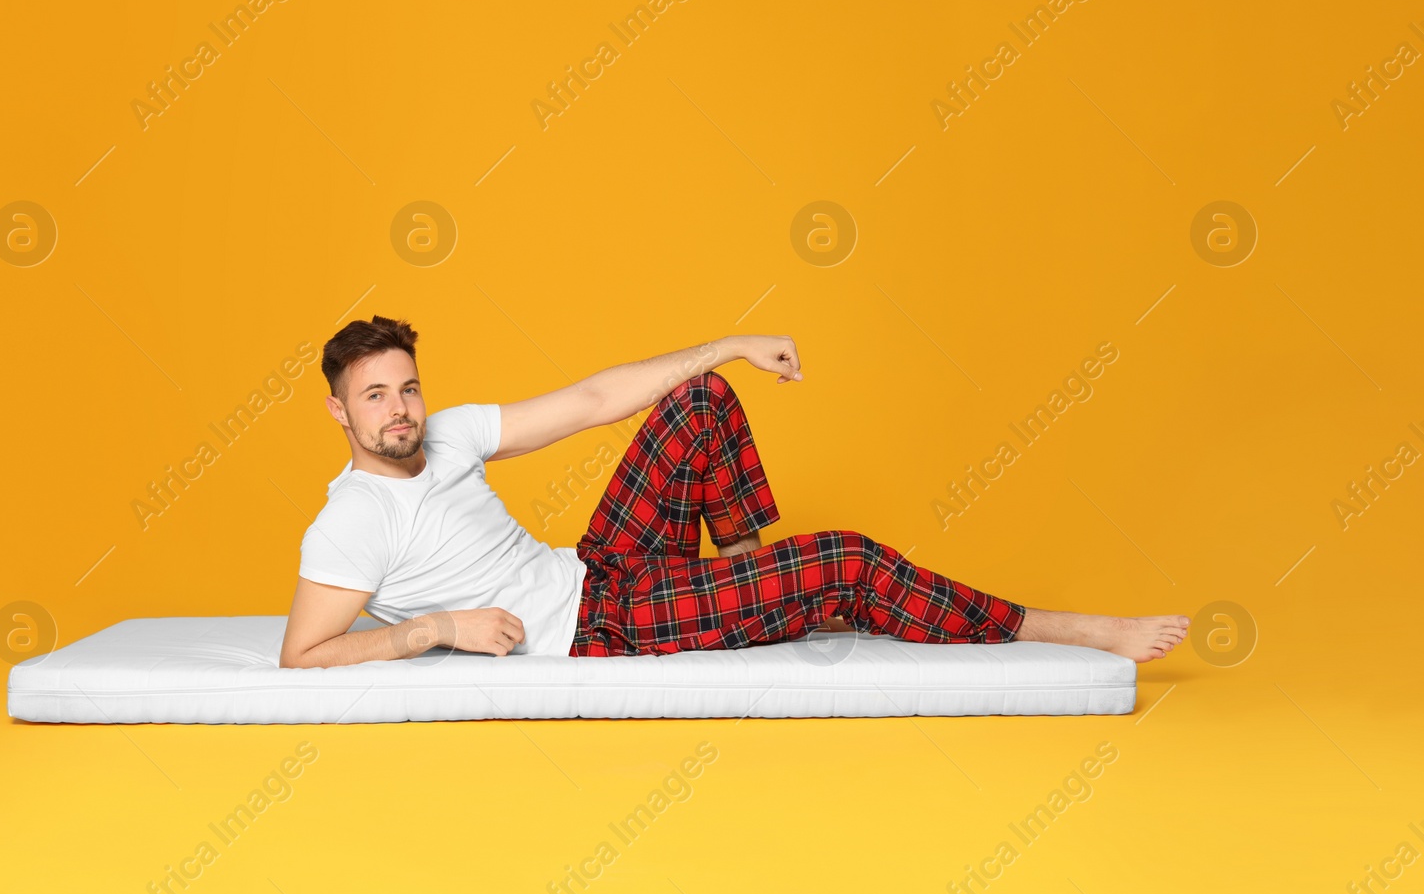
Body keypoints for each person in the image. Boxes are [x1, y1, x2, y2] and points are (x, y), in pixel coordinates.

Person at [279, 316, 1189, 668]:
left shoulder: (448, 433)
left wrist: (731, 344)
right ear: (339, 409)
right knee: (849, 560)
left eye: (407, 388)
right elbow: (302, 654)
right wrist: (440, 628)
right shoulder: (350, 521)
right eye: (375, 396)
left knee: (702, 400)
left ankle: (762, 602)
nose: (400, 412)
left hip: (600, 571)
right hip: (599, 630)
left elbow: (596, 400)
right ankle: (1072, 628)